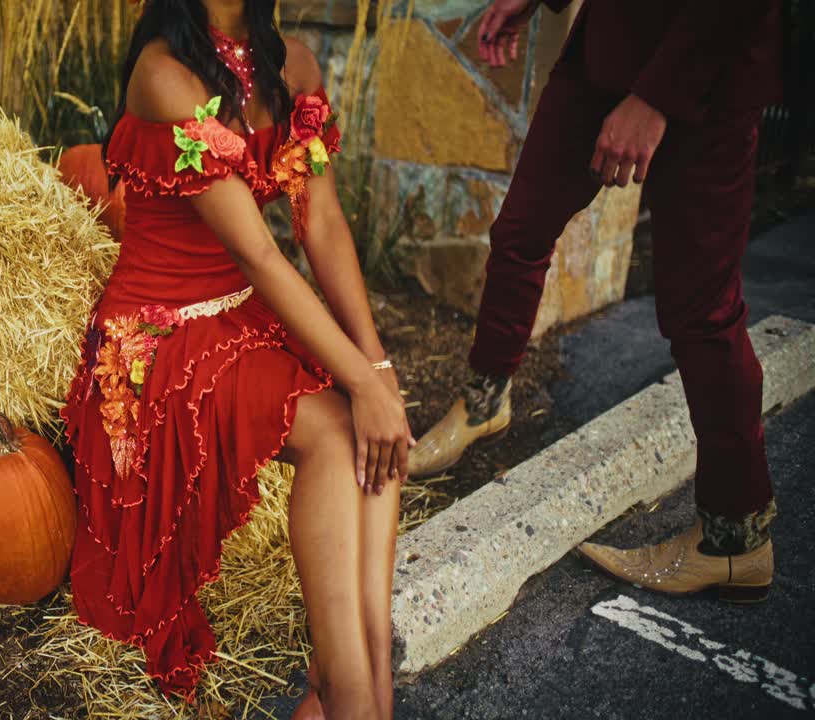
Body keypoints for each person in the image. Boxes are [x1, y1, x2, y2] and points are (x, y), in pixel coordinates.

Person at [61, 0, 413, 716]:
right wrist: (360, 384)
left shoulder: (293, 67)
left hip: (236, 314)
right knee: (341, 428)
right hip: (154, 339)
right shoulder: (164, 76)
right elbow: (258, 251)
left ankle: (364, 682)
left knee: (376, 425)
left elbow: (323, 223)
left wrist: (377, 371)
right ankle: (349, 693)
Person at [408, 0, 782, 602]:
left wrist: (656, 97)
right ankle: (484, 402)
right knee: (519, 233)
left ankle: (737, 539)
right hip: (607, 47)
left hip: (707, 70)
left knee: (702, 313)